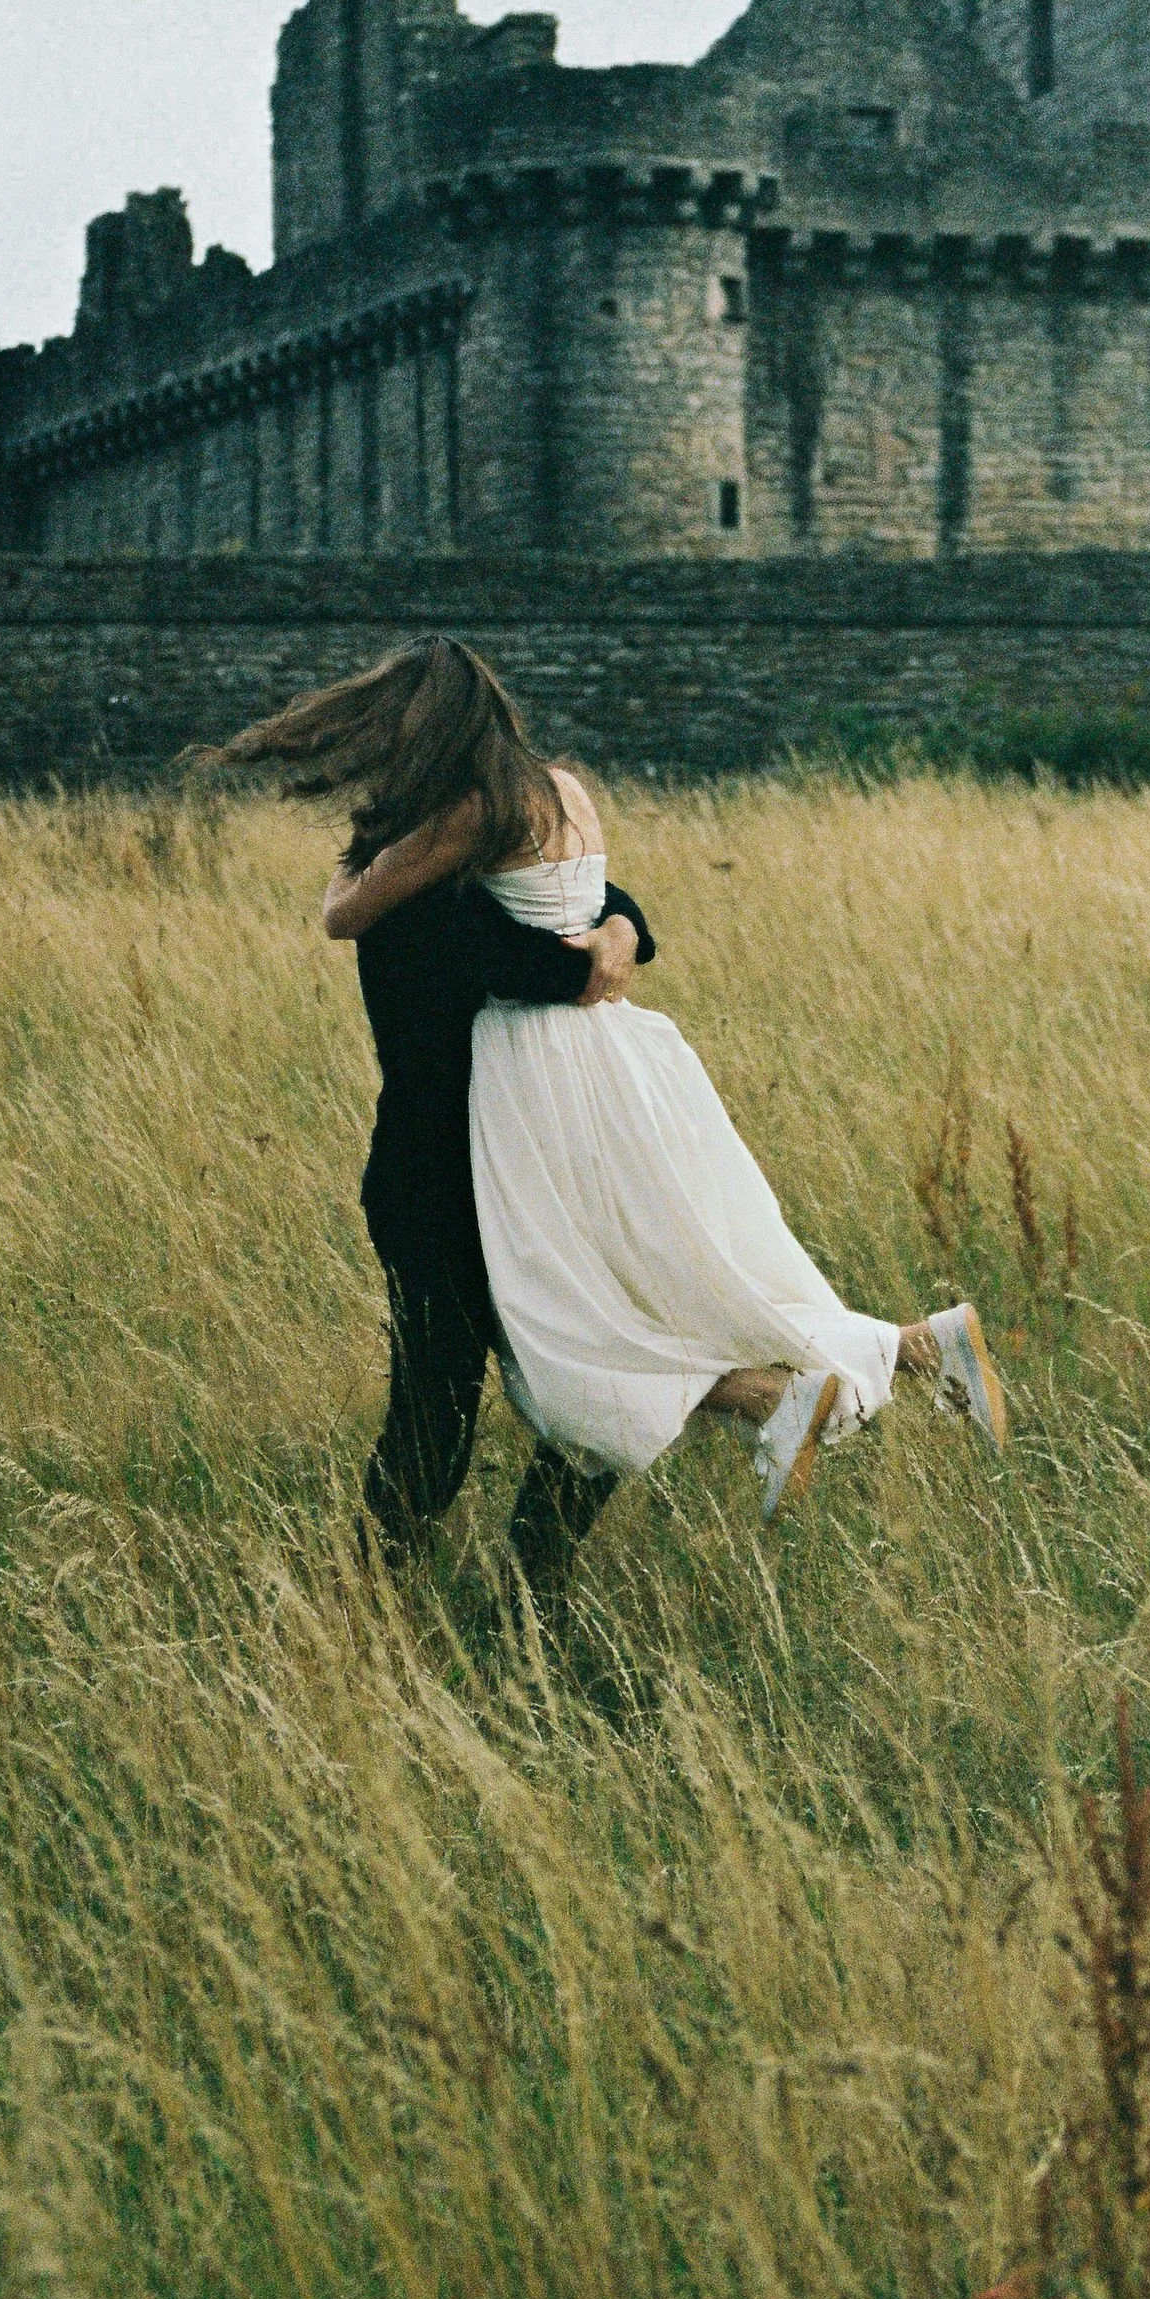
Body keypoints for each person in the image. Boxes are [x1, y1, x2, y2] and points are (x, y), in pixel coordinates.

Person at [231, 639, 1007, 1613]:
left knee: (535, 1373)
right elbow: (594, 910)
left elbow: (414, 932)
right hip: (592, 1100)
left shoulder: (450, 838)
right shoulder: (553, 792)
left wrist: (592, 947)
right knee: (613, 1328)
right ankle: (903, 1351)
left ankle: (397, 1601)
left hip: (474, 1153)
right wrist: (613, 937)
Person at [222, 641, 657, 1625]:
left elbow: (575, 921)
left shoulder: (433, 863)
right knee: (435, 1412)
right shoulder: (419, 907)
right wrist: (616, 936)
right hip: (441, 1180)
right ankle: (370, 1607)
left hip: (507, 1168)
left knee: (561, 1383)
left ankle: (505, 1593)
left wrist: (619, 925)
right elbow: (549, 957)